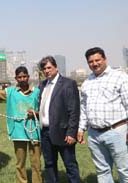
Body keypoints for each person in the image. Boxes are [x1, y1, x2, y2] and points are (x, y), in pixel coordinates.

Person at [77, 47, 128, 183]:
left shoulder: (120, 77)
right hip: (94, 135)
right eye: (91, 61)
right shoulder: (87, 83)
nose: (94, 64)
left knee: (124, 170)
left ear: (105, 59)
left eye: (97, 60)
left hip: (117, 132)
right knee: (102, 171)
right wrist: (81, 128)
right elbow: (84, 108)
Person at [39, 56, 80, 183]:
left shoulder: (68, 84)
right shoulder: (42, 85)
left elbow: (74, 110)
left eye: (49, 67)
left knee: (70, 165)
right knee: (49, 164)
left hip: (63, 133)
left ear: (56, 68)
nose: (46, 71)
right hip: (45, 132)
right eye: (44, 69)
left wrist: (71, 132)